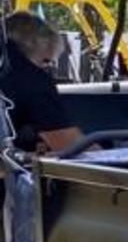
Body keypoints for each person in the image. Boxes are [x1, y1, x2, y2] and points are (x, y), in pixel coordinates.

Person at [0, 12, 83, 154]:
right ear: (34, 44)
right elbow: (73, 149)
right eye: (46, 61)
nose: (47, 68)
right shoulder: (30, 79)